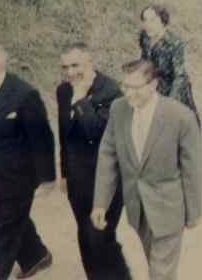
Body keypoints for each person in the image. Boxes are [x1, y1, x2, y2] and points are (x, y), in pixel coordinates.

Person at [92, 59, 202, 280]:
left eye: (135, 87)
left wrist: (194, 212)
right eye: (125, 86)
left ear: (153, 85)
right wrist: (100, 202)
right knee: (158, 269)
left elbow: (192, 169)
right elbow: (108, 155)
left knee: (160, 273)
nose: (128, 93)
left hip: (168, 210)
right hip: (138, 209)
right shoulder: (118, 109)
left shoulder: (181, 116)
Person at [57, 43, 131, 280]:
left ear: (90, 62)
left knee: (100, 238)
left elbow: (97, 131)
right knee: (86, 238)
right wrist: (65, 173)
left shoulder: (111, 91)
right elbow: (64, 136)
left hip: (106, 180)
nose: (70, 73)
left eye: (75, 65)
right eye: (65, 67)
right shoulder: (63, 91)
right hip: (77, 180)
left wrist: (80, 100)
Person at [0, 42, 56, 280]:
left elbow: (42, 139)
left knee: (0, 229)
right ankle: (35, 255)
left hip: (16, 178)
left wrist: (47, 179)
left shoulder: (24, 95)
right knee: (12, 220)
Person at [139, 4, 200, 126]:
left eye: (153, 20)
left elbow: (180, 76)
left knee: (177, 126)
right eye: (145, 20)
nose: (148, 25)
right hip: (153, 88)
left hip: (174, 89)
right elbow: (144, 61)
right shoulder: (144, 37)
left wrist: (170, 101)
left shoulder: (174, 42)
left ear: (163, 21)